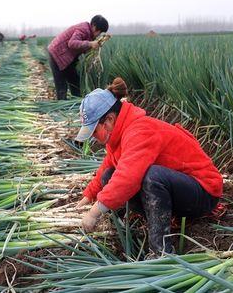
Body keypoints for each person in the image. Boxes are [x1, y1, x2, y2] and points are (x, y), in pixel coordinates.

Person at [75, 77, 222, 257]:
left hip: (203, 191)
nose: (94, 138)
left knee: (152, 176)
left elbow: (127, 178)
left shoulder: (140, 131)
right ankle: (140, 224)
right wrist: (89, 195)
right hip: (177, 189)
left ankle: (161, 252)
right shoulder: (119, 134)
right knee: (109, 176)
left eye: (94, 131)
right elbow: (109, 165)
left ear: (109, 120)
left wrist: (94, 213)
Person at [48, 15, 109, 100]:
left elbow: (81, 47)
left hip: (66, 58)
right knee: (61, 85)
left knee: (75, 81)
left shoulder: (89, 33)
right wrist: (90, 44)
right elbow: (72, 43)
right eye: (99, 32)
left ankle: (77, 102)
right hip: (57, 54)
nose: (99, 35)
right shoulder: (84, 29)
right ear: (94, 27)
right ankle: (61, 108)